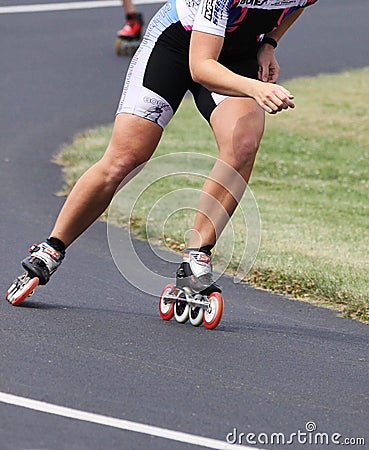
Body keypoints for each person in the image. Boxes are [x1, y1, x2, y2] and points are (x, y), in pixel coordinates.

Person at [7, 0, 319, 306]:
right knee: (126, 158)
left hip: (235, 53)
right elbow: (201, 67)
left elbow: (297, 6)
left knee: (243, 144)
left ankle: (197, 258)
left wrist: (269, 43)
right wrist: (255, 88)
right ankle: (51, 248)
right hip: (175, 45)